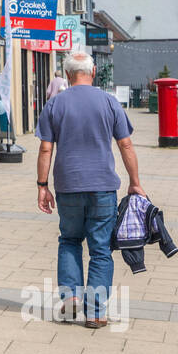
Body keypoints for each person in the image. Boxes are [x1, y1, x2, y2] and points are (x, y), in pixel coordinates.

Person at [35, 49, 145, 328]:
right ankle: (95, 312)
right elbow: (126, 145)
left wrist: (42, 186)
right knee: (100, 250)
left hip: (68, 185)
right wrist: (135, 183)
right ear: (93, 72)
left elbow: (46, 148)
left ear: (68, 74)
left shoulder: (55, 104)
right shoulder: (109, 102)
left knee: (70, 240)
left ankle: (71, 298)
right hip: (103, 187)